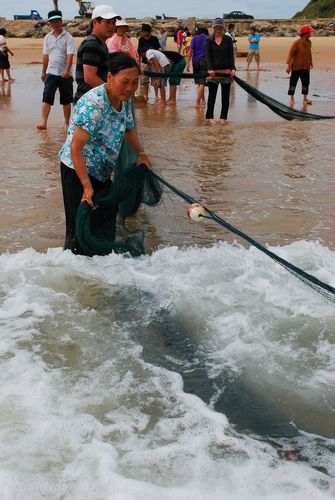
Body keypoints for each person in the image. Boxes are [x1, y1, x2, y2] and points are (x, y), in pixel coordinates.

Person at [59, 52, 151, 255]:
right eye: (125, 82)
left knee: (106, 218)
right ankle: (73, 275)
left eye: (135, 82)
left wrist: (141, 153)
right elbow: (76, 148)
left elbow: (128, 129)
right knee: (79, 229)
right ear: (110, 77)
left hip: (102, 170)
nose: (130, 88)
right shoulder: (94, 105)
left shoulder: (124, 98)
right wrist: (86, 186)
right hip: (77, 169)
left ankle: (102, 273)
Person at [36, 10, 76, 130]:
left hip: (65, 74)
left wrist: (67, 70)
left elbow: (70, 55)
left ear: (61, 21)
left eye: (58, 20)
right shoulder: (47, 37)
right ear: (50, 23)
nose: (56, 23)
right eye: (53, 21)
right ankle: (43, 123)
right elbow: (45, 56)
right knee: (47, 97)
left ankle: (66, 123)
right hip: (51, 72)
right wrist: (43, 72)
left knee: (66, 99)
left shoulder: (68, 37)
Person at [74, 4, 121, 103]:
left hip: (94, 99)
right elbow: (90, 78)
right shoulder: (92, 44)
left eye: (113, 23)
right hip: (89, 102)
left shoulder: (100, 43)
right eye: (107, 22)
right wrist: (113, 94)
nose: (112, 26)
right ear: (95, 22)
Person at [205, 18, 235, 124]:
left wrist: (233, 68)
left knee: (225, 97)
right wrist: (210, 68)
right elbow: (207, 56)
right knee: (211, 96)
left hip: (226, 72)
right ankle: (210, 117)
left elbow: (231, 56)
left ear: (223, 27)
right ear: (213, 27)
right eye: (216, 26)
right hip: (213, 73)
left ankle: (223, 118)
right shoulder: (209, 40)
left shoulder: (228, 39)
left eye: (220, 26)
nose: (218, 28)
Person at [286, 25, 315, 106]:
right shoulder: (296, 43)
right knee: (293, 82)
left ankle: (305, 98)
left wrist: (311, 62)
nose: (310, 34)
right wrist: (288, 66)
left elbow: (309, 53)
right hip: (296, 67)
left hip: (306, 66)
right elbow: (290, 54)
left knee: (306, 83)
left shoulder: (309, 42)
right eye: (309, 33)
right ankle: (292, 98)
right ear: (305, 34)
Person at [137, 24, 161, 101]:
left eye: (145, 32)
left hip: (154, 62)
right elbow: (139, 52)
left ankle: (156, 96)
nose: (144, 33)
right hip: (144, 63)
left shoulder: (154, 39)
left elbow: (158, 50)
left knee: (155, 79)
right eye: (143, 32)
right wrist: (139, 64)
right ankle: (146, 95)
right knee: (145, 80)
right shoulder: (141, 39)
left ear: (149, 32)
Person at [186, 27, 208, 107]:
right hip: (205, 61)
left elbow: (190, 51)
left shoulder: (194, 39)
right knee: (202, 83)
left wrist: (187, 63)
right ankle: (197, 102)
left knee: (199, 83)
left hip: (195, 62)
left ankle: (203, 100)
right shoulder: (208, 38)